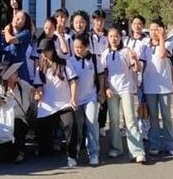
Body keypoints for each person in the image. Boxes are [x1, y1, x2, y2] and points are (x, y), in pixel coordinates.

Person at [101, 27, 146, 163]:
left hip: (126, 89)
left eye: (116, 36)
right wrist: (106, 88)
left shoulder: (126, 52)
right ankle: (116, 148)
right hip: (112, 91)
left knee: (130, 120)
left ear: (121, 37)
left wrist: (136, 60)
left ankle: (137, 151)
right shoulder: (105, 53)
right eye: (111, 36)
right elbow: (104, 74)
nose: (114, 39)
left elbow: (137, 69)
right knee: (114, 121)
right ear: (107, 38)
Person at [33, 38, 79, 167]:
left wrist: (73, 98)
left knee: (70, 125)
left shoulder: (65, 64)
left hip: (64, 104)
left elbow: (73, 81)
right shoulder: (39, 69)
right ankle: (46, 151)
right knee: (42, 132)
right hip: (47, 106)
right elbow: (39, 87)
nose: (44, 54)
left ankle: (71, 155)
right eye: (41, 52)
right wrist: (38, 94)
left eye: (46, 51)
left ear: (52, 50)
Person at [141, 18, 173, 156]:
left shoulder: (168, 43)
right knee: (153, 118)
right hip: (150, 87)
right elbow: (142, 67)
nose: (153, 32)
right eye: (151, 29)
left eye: (156, 29)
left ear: (162, 29)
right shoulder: (146, 47)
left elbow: (162, 54)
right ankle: (154, 144)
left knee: (167, 117)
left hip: (165, 88)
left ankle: (171, 144)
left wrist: (161, 38)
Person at [68, 33, 105, 166]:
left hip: (91, 97)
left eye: (80, 47)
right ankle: (74, 152)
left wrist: (101, 91)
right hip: (76, 99)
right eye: (75, 47)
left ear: (87, 46)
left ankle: (94, 153)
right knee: (77, 127)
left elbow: (101, 76)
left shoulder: (94, 59)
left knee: (92, 123)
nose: (77, 50)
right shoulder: (70, 61)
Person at [0, 62, 36, 163]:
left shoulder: (22, 84)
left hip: (21, 119)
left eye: (16, 71)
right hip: (3, 122)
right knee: (4, 153)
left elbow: (33, 92)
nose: (16, 73)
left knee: (17, 124)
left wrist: (36, 93)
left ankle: (21, 152)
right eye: (13, 72)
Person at [1, 0, 34, 82]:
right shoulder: (13, 30)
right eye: (17, 17)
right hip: (7, 66)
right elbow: (14, 22)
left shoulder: (26, 33)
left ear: (25, 23)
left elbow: (10, 40)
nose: (18, 20)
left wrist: (7, 30)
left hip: (19, 70)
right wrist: (15, 8)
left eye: (21, 19)